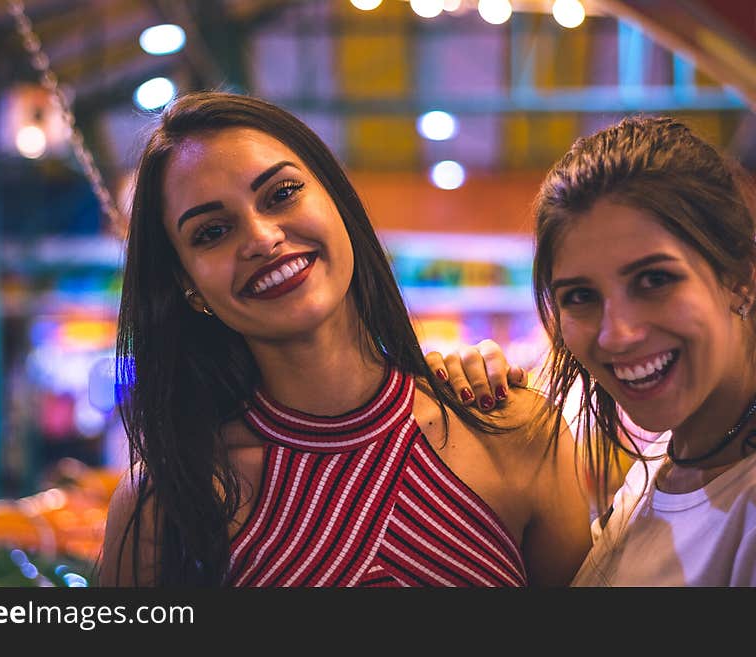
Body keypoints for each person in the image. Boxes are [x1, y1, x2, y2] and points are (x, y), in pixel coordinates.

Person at [98, 91, 591, 587]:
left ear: (336, 199)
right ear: (189, 286)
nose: (262, 238)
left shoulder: (514, 428)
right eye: (211, 232)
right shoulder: (163, 507)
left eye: (281, 193)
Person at [433, 115, 756, 586]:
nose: (616, 335)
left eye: (655, 280)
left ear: (741, 278)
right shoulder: (672, 458)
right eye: (580, 296)